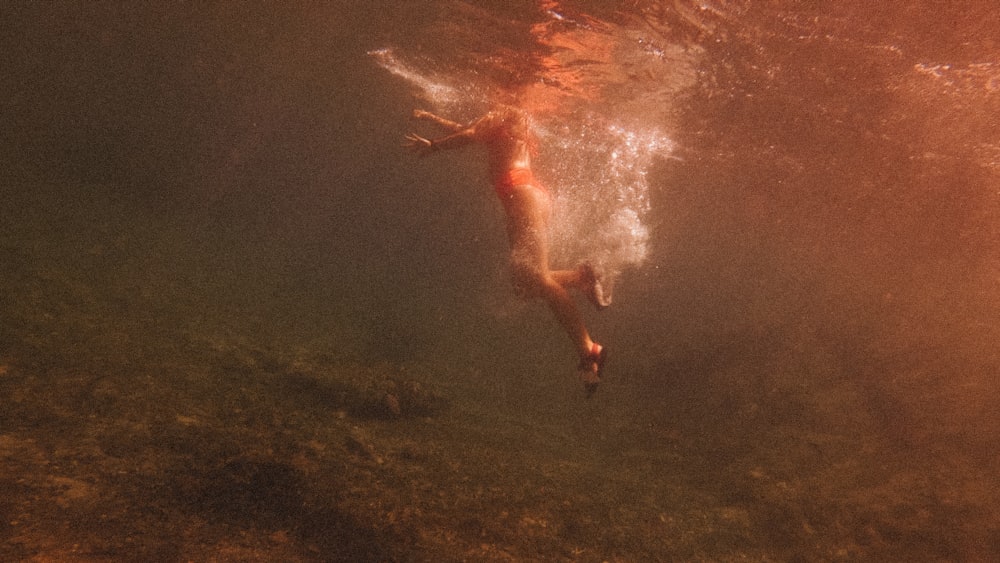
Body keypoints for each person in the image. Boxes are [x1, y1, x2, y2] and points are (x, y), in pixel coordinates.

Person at [405, 105, 610, 396]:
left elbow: (473, 133)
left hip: (521, 194)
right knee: (524, 286)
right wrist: (430, 119)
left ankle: (589, 350)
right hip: (523, 195)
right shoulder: (511, 118)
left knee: (539, 280)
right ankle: (580, 277)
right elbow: (470, 130)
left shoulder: (505, 109)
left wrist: (435, 146)